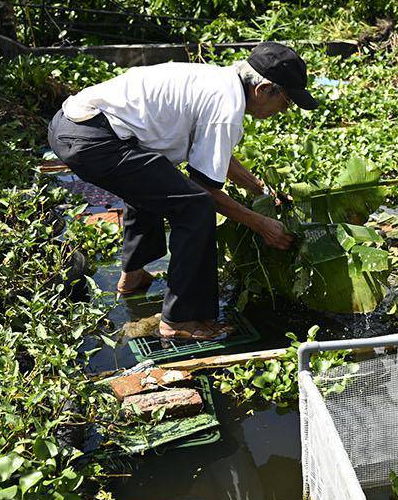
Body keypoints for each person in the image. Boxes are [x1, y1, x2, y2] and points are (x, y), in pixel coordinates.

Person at [46, 43, 315, 341]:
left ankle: (132, 275)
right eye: (286, 102)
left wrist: (259, 188)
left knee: (155, 181)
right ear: (263, 89)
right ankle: (180, 320)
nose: (283, 111)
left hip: (72, 125)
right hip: (92, 139)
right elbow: (205, 190)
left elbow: (215, 153)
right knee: (195, 206)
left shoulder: (221, 83)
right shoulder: (226, 106)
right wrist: (261, 224)